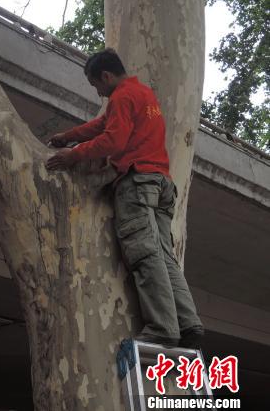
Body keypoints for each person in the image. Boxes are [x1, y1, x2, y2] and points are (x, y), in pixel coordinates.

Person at [46, 49, 204, 347]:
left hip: (137, 182)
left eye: (96, 86)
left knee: (144, 254)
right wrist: (69, 135)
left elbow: (112, 139)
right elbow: (103, 125)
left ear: (106, 76)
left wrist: (73, 155)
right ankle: (189, 324)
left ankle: (163, 327)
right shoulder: (142, 94)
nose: (99, 93)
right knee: (163, 255)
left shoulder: (121, 96)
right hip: (161, 183)